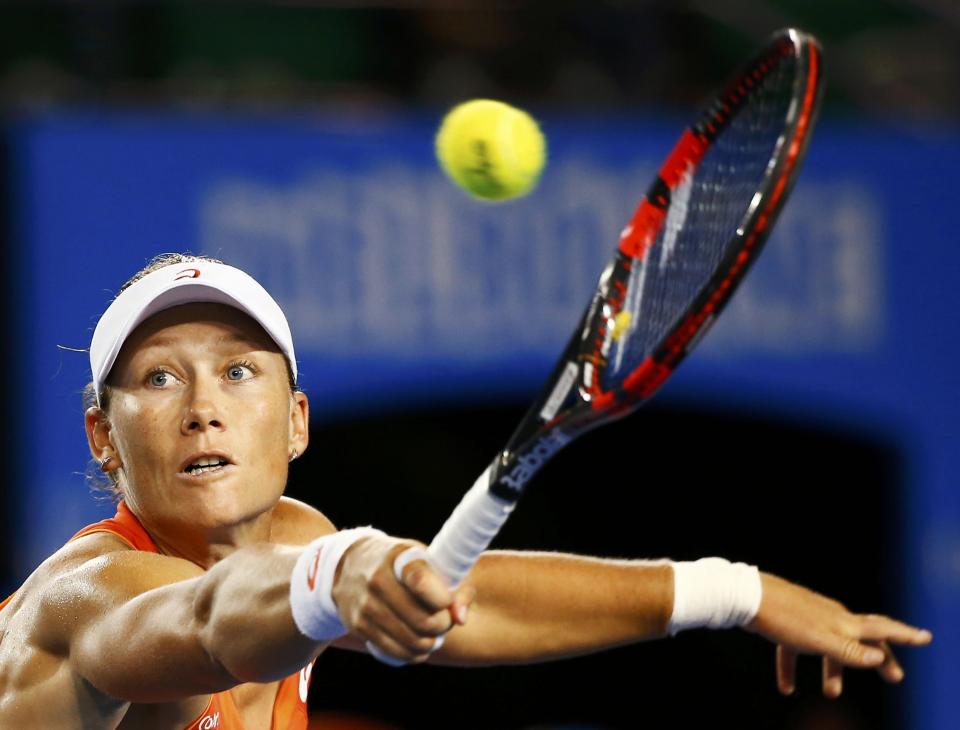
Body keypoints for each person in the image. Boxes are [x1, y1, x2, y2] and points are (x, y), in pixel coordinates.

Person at [0, 253, 931, 729]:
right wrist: (340, 574)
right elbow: (203, 623)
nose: (203, 407)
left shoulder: (292, 536)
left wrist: (737, 591)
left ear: (295, 423)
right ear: (103, 440)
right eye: (160, 379)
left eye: (240, 372)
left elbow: (458, 603)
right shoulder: (83, 601)